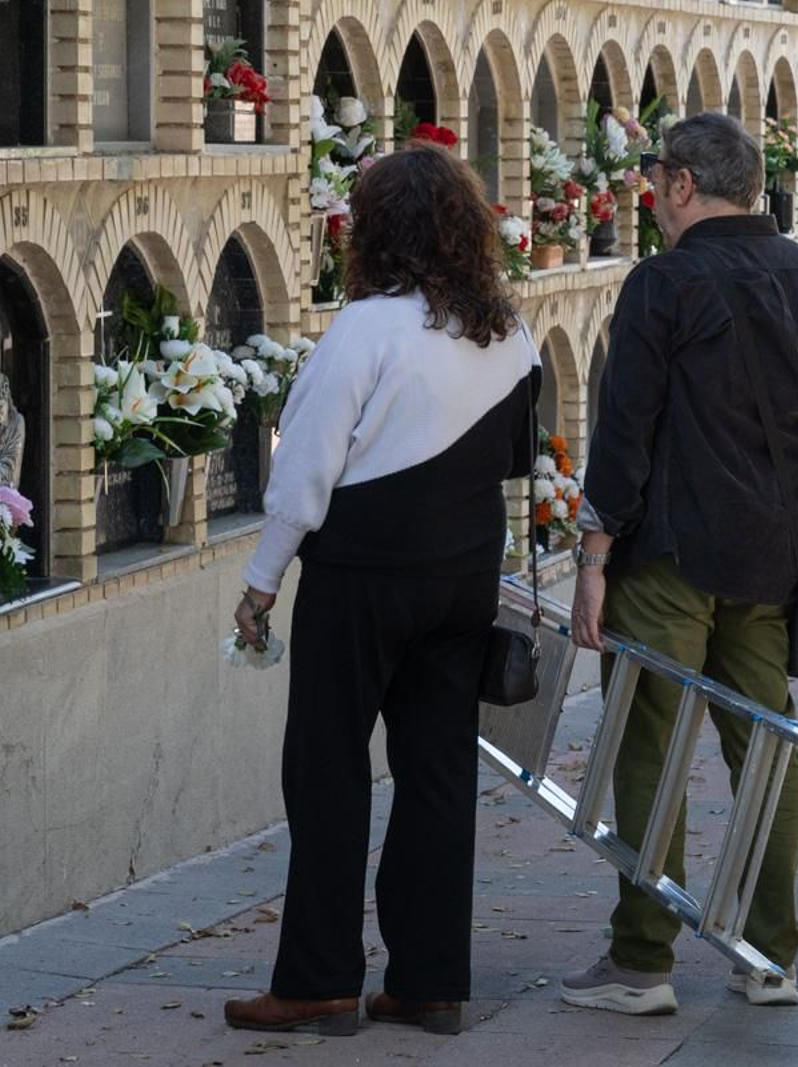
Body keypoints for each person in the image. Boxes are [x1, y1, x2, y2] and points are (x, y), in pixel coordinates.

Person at [559, 113, 798, 1015]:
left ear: (680, 184)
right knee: (767, 746)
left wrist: (595, 553)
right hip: (774, 563)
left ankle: (642, 961)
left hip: (669, 554)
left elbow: (625, 430)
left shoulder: (662, 284)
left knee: (649, 742)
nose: (649, 197)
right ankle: (767, 955)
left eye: (656, 178)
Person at [223, 143, 538, 1037]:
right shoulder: (505, 331)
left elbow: (305, 472)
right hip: (465, 577)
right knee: (438, 774)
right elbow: (513, 458)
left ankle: (320, 978)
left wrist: (261, 582)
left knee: (327, 773)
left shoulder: (362, 330)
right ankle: (430, 980)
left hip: (363, 577)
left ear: (376, 232)